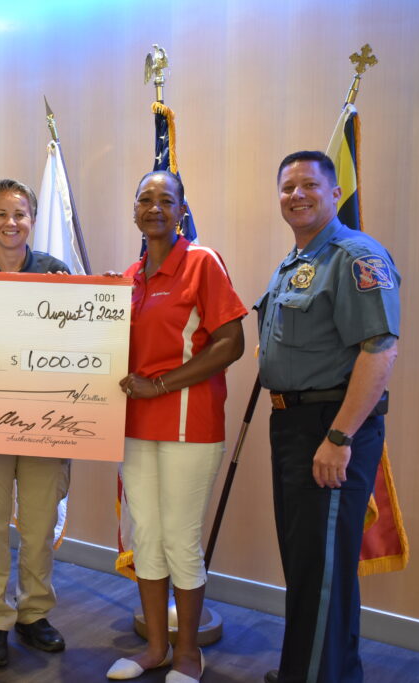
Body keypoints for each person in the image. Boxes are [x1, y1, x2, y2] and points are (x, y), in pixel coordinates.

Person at [257, 151, 399, 683]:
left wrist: (340, 436)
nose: (296, 194)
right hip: (293, 427)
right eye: (287, 186)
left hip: (330, 429)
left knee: (320, 572)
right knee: (311, 565)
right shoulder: (297, 262)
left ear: (335, 193)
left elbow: (379, 350)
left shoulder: (355, 255)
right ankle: (321, 671)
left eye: (309, 185)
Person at [105, 170, 246, 683]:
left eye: (167, 199)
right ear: (135, 210)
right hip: (134, 426)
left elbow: (230, 343)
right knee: (145, 537)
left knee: (181, 539)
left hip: (190, 424)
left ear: (182, 210)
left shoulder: (201, 263)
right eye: (145, 198)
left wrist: (161, 386)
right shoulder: (128, 278)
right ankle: (155, 649)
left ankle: (189, 654)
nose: (155, 207)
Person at [0, 179, 72, 669]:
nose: (11, 223)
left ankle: (34, 614)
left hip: (46, 422)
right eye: (2, 214)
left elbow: (81, 343)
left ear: (31, 219)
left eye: (21, 214)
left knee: (40, 526)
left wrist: (102, 296)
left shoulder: (57, 274)